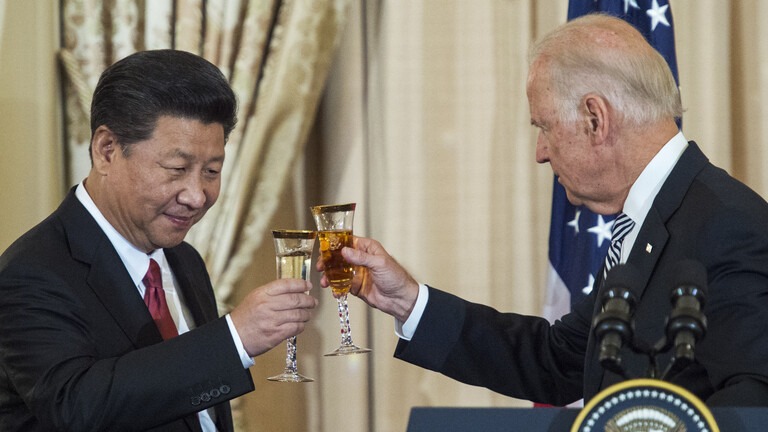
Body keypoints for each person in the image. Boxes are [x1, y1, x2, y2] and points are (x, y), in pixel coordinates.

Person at [319, 14, 768, 406]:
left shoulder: (727, 225)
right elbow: (560, 359)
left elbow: (753, 402)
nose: (540, 153)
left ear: (595, 119)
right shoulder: (651, 215)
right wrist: (407, 300)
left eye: (545, 126)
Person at [0, 50, 318, 431]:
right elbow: (77, 406)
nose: (196, 196)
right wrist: (234, 339)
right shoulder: (31, 273)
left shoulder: (185, 260)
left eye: (211, 171)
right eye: (177, 169)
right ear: (106, 150)